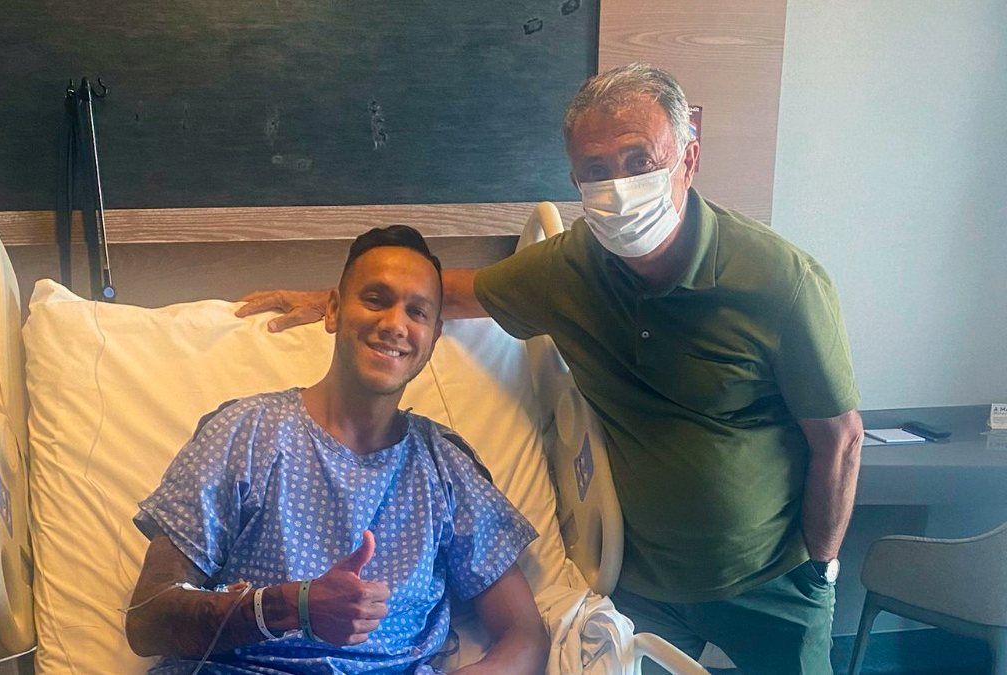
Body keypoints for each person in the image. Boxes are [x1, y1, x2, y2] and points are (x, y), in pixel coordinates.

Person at [236, 63, 864, 673]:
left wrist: (821, 569)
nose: (619, 187)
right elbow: (452, 292)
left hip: (770, 583)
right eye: (596, 170)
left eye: (639, 161)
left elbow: (840, 438)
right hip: (641, 584)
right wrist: (344, 298)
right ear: (574, 178)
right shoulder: (571, 268)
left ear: (688, 158)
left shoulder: (780, 283)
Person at [126, 225, 548, 674]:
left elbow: (525, 636)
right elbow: (148, 620)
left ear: (434, 336)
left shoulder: (444, 467)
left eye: (418, 312)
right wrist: (288, 607)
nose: (395, 325)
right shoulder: (245, 434)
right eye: (376, 300)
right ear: (333, 310)